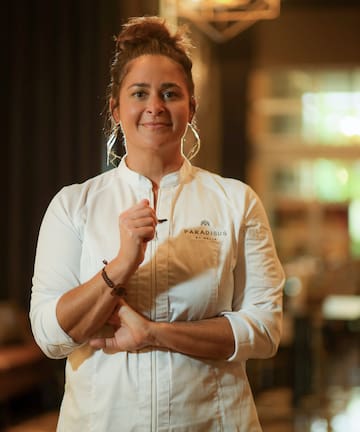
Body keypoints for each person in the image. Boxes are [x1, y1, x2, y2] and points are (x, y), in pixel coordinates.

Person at [30, 16, 285, 431]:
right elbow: (51, 336)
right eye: (139, 93)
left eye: (170, 93)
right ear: (116, 108)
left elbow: (264, 328)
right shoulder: (74, 204)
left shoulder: (235, 201)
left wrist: (153, 333)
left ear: (192, 107)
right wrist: (121, 264)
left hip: (212, 422)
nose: (155, 106)